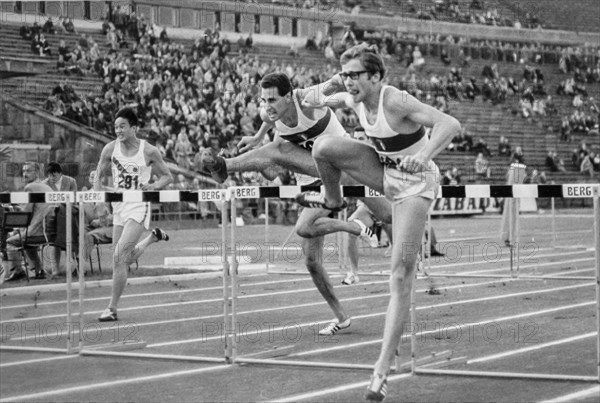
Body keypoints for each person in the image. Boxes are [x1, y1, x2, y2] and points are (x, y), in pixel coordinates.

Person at [295, 43, 460, 401]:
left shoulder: (395, 100)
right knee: (323, 148)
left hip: (417, 184)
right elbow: (311, 102)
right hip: (385, 174)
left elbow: (450, 123)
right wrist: (327, 85)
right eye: (346, 75)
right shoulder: (352, 98)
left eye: (355, 75)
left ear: (376, 76)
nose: (349, 82)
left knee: (400, 273)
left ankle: (381, 370)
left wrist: (424, 155)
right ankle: (335, 199)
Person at [202, 72, 392, 335]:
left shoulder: (307, 100)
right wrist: (257, 138)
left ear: (289, 97)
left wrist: (347, 76)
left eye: (273, 99)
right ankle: (342, 316)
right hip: (317, 177)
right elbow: (269, 121)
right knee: (311, 260)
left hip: (346, 167)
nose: (267, 105)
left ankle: (227, 167)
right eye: (264, 99)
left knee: (390, 215)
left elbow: (331, 85)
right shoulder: (269, 112)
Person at [94, 107, 173, 321]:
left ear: (134, 128)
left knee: (120, 256)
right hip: (119, 207)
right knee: (121, 258)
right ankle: (151, 239)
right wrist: (100, 202)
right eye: (116, 127)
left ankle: (111, 308)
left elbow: (167, 177)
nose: (118, 131)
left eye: (123, 126)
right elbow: (97, 177)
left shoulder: (148, 151)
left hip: (139, 205)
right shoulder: (110, 149)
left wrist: (154, 186)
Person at [2, 162, 55, 282]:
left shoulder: (30, 187)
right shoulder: (45, 186)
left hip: (39, 231)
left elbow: (24, 213)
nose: (25, 174)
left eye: (28, 171)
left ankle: (18, 271)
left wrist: (11, 206)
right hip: (49, 231)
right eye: (24, 171)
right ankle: (39, 271)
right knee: (23, 239)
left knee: (10, 241)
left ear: (37, 172)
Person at [42, 162, 78, 277]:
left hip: (68, 213)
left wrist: (61, 204)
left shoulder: (71, 181)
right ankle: (55, 269)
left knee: (64, 214)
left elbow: (73, 200)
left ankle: (72, 265)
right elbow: (44, 204)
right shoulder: (44, 184)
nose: (51, 178)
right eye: (49, 175)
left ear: (60, 174)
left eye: (54, 175)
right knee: (55, 240)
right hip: (51, 217)